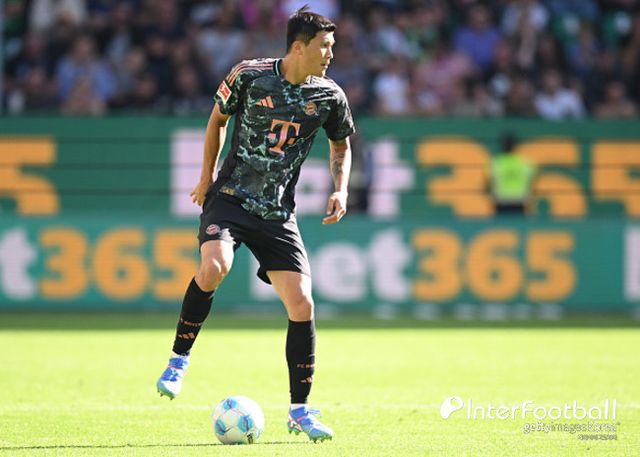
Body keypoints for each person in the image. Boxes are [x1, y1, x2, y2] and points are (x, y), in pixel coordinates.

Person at [156, 6, 354, 443]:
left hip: (277, 212)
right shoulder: (250, 76)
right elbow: (217, 120)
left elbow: (341, 146)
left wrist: (340, 189)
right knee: (215, 266)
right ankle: (178, 359)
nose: (330, 54)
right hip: (230, 198)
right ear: (299, 47)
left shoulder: (329, 96)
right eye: (324, 46)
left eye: (333, 46)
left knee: (302, 303)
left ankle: (300, 411)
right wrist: (206, 176)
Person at [489, 133, 536, 215]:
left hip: (501, 201)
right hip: (519, 201)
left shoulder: (496, 162)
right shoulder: (525, 163)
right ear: (515, 146)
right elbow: (532, 183)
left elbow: (488, 184)